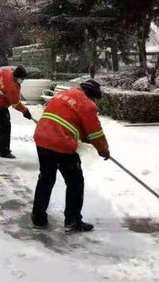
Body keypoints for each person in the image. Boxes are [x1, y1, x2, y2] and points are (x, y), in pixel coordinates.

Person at [31, 79, 110, 232]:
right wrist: (103, 149)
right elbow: (96, 133)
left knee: (46, 179)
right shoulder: (87, 104)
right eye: (94, 98)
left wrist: (84, 136)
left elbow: (68, 120)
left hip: (41, 137)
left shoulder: (64, 94)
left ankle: (38, 218)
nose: (94, 101)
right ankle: (73, 221)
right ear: (91, 95)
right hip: (61, 143)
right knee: (75, 182)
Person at [0, 65, 33, 159]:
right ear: (16, 76)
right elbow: (16, 104)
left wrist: (0, 85)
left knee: (3, 125)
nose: (22, 80)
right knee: (6, 126)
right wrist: (25, 112)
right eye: (21, 79)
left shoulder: (6, 72)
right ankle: (4, 151)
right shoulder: (11, 87)